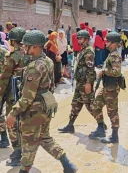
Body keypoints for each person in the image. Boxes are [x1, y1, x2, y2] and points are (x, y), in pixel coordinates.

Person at [5, 30, 77, 173]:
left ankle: (24, 171)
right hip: (46, 105)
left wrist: (13, 113)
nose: (25, 49)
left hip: (34, 110)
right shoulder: (47, 61)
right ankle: (67, 164)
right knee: (45, 138)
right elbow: (51, 85)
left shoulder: (34, 68)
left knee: (28, 143)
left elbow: (27, 97)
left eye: (27, 46)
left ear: (36, 47)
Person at [58, 30, 96, 134]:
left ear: (87, 40)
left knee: (90, 105)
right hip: (79, 83)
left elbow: (90, 69)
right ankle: (70, 125)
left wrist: (89, 83)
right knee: (75, 104)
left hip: (85, 84)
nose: (79, 40)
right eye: (78, 38)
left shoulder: (88, 51)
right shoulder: (82, 50)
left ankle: (101, 125)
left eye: (81, 38)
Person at [0, 28, 28, 167]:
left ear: (12, 41)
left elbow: (4, 79)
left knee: (12, 123)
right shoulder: (31, 54)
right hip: (28, 94)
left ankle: (18, 152)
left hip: (14, 95)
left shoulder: (12, 56)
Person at [90, 32, 124, 143]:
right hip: (106, 87)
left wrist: (103, 71)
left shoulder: (114, 55)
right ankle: (101, 128)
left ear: (114, 44)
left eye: (108, 41)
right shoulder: (111, 54)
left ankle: (114, 136)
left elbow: (116, 72)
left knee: (112, 112)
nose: (106, 43)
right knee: (95, 106)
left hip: (112, 88)